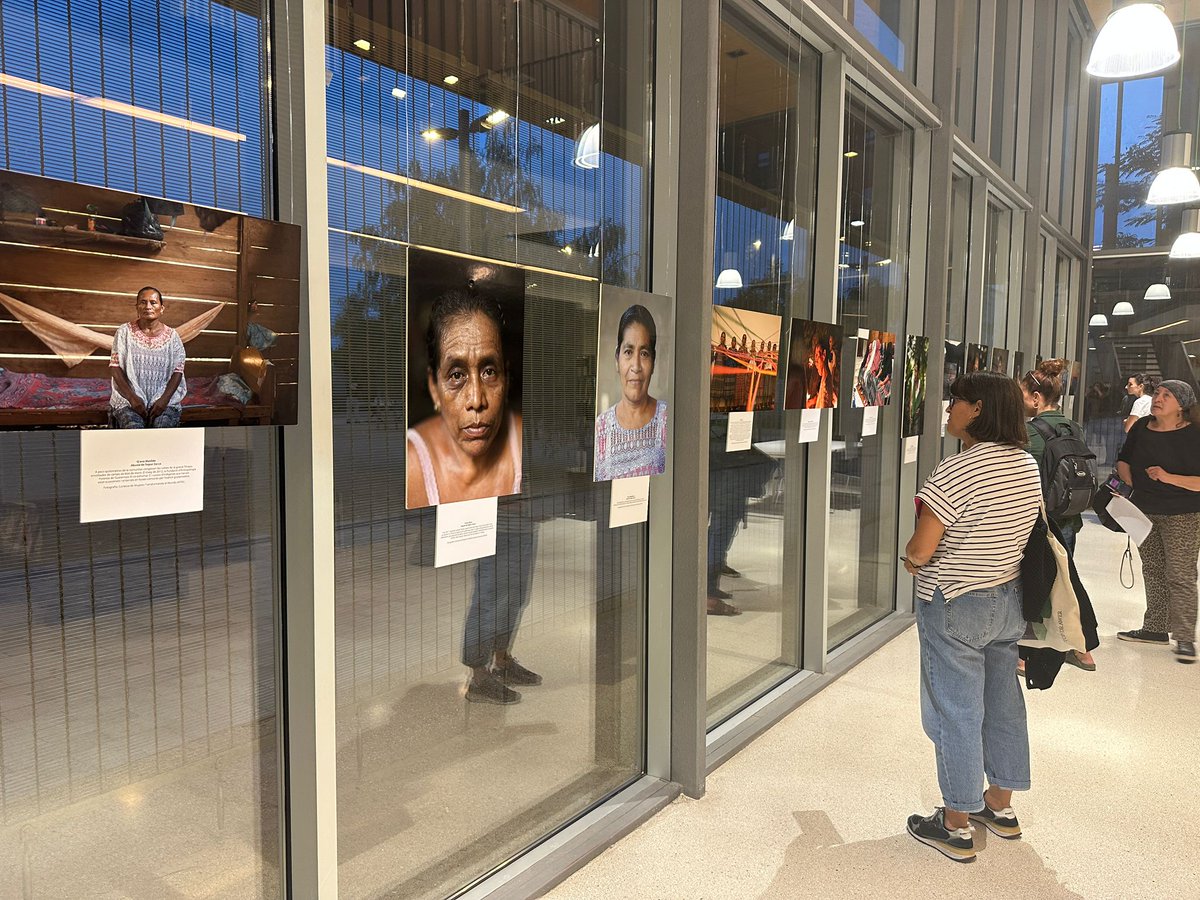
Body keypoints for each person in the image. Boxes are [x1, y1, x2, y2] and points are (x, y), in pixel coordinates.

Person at [903, 371, 1042, 863]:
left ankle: (956, 824)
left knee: (955, 710)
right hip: (1007, 600)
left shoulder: (956, 470)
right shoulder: (1025, 463)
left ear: (978, 409)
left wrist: (911, 559)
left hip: (955, 602)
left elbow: (922, 548)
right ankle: (999, 806)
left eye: (956, 400)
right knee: (1003, 703)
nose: (949, 408)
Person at [406, 290, 522, 509]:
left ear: (506, 379)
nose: (476, 400)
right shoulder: (411, 466)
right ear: (434, 388)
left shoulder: (527, 447)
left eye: (489, 372)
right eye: (457, 375)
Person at [1114, 380, 1200, 663]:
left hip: (1183, 514)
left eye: (1167, 395)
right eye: (1158, 393)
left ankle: (1184, 637)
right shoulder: (1141, 427)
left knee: (1180, 574)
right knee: (1152, 569)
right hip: (1144, 511)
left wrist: (1167, 477)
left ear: (1182, 406)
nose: (1158, 398)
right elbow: (1124, 459)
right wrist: (1128, 480)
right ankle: (1155, 628)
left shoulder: (1194, 434)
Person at [1019, 359, 1095, 671]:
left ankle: (1022, 653)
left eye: (1023, 395)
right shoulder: (1073, 427)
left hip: (1038, 524)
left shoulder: (1028, 432)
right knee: (1066, 580)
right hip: (1069, 519)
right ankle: (1080, 647)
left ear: (1036, 398)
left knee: (1032, 584)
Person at [594, 304, 668, 481]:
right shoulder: (600, 428)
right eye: (628, 352)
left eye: (644, 354)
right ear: (617, 360)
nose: (636, 366)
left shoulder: (667, 419)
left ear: (653, 362)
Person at [109, 286, 186, 428]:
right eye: (143, 302)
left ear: (162, 308)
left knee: (162, 429)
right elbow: (115, 367)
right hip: (128, 400)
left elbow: (178, 371)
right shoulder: (124, 332)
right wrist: (133, 399)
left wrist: (164, 400)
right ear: (137, 307)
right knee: (134, 429)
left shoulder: (172, 336)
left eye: (153, 302)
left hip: (164, 401)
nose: (148, 306)